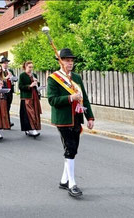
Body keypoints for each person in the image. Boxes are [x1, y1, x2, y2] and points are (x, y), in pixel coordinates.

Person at [47, 48, 94, 198]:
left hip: (77, 118)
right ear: (61, 62)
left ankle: (63, 180)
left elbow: (84, 98)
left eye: (72, 60)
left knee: (72, 150)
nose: (70, 63)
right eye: (67, 60)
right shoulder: (53, 78)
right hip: (63, 119)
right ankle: (72, 183)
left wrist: (90, 117)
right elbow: (52, 100)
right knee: (70, 148)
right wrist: (70, 98)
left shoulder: (76, 78)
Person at [18, 61, 42, 137]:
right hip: (26, 97)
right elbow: (20, 86)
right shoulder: (22, 75)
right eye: (29, 67)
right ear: (25, 67)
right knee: (29, 113)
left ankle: (31, 129)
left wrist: (37, 83)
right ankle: (32, 129)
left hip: (34, 97)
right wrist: (30, 86)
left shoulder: (34, 75)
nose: (31, 69)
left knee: (35, 112)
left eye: (32, 67)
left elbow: (37, 85)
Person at [0, 56, 17, 127]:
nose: (6, 64)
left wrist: (12, 78)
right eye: (4, 63)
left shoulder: (10, 71)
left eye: (7, 63)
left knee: (8, 106)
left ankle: (7, 121)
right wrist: (6, 78)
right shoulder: (0, 71)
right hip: (3, 91)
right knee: (4, 107)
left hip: (10, 90)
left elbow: (15, 79)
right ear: (1, 64)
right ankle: (6, 122)